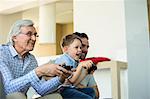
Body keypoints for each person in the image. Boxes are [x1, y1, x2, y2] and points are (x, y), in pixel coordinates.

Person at [0, 19, 72, 99]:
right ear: (14, 38)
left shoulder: (31, 59)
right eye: (29, 34)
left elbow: (41, 89)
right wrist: (38, 71)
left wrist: (61, 78)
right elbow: (8, 89)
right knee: (16, 96)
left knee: (55, 96)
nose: (34, 39)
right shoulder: (2, 53)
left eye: (35, 35)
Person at [55, 34, 96, 99]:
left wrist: (85, 73)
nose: (80, 50)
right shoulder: (65, 60)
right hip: (63, 90)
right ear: (66, 49)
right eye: (76, 47)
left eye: (80, 47)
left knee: (91, 91)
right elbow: (72, 80)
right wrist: (80, 65)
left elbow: (74, 83)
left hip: (70, 88)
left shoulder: (74, 61)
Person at [73, 32, 100, 99]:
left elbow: (96, 95)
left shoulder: (86, 68)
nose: (86, 50)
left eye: (87, 47)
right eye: (83, 46)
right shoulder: (62, 63)